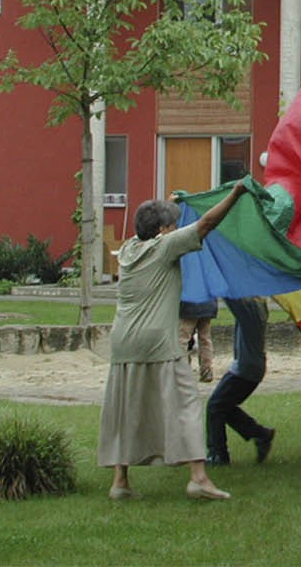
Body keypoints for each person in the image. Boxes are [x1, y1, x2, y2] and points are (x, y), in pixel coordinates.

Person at [97, 180, 248, 501]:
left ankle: (120, 482)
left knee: (127, 408)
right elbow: (206, 224)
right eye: (173, 225)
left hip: (123, 340)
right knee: (187, 403)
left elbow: (152, 222)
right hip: (159, 340)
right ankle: (198, 477)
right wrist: (234, 195)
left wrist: (173, 202)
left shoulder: (128, 250)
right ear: (165, 230)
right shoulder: (164, 247)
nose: (177, 229)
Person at [205, 295, 276, 467]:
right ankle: (261, 434)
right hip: (251, 366)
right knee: (223, 407)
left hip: (246, 368)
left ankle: (218, 455)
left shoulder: (249, 308)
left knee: (215, 406)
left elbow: (229, 294)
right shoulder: (258, 304)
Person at [178, 295, 218, 383]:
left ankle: (182, 370)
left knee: (182, 340)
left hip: (189, 307)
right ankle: (207, 371)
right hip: (208, 306)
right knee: (205, 339)